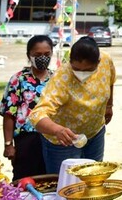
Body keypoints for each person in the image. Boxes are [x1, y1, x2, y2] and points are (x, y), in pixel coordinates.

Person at [29, 37, 115, 174]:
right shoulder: (62, 78)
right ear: (70, 62)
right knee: (65, 185)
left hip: (95, 132)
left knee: (93, 179)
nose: (81, 74)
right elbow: (36, 115)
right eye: (76, 69)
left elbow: (110, 81)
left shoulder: (105, 60)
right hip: (64, 142)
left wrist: (109, 106)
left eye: (88, 70)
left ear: (97, 63)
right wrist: (58, 130)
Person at [0, 35, 54, 180]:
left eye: (47, 54)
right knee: (24, 183)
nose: (43, 58)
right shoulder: (18, 79)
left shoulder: (57, 79)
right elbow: (9, 114)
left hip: (53, 140)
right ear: (29, 55)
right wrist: (8, 144)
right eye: (37, 55)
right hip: (26, 141)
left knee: (51, 182)